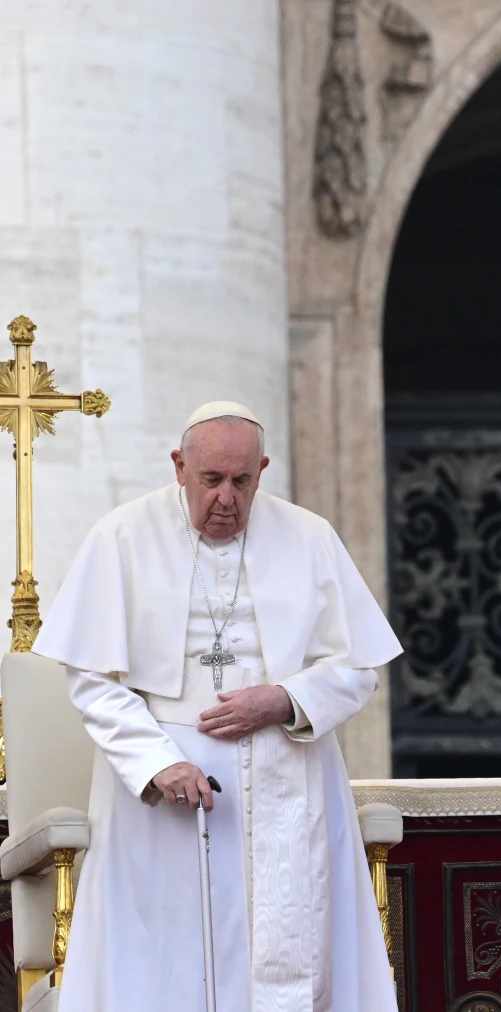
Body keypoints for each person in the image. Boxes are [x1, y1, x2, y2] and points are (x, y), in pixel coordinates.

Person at [33, 401, 402, 1012]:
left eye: (242, 482)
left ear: (262, 471)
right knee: (167, 961)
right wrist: (157, 764)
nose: (226, 498)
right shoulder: (122, 536)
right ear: (180, 467)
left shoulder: (310, 538)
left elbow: (358, 670)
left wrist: (286, 698)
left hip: (292, 775)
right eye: (210, 481)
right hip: (163, 796)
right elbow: (92, 679)